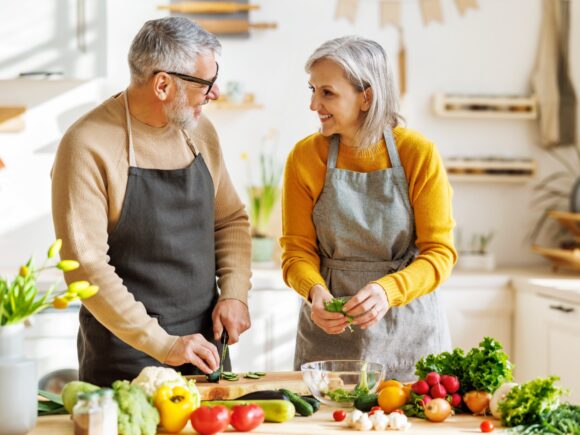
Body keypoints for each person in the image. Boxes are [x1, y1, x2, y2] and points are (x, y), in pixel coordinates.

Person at [52, 17, 252, 386]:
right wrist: (163, 344)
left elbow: (230, 220)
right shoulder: (87, 144)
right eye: (205, 83)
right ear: (163, 85)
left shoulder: (199, 131)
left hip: (204, 351)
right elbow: (86, 267)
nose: (216, 92)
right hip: (124, 362)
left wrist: (235, 294)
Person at [280, 36, 457, 381]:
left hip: (410, 333)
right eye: (312, 90)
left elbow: (440, 253)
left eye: (327, 92)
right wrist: (314, 292)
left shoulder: (417, 154)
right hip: (328, 336)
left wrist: (386, 291)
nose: (314, 104)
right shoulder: (305, 157)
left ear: (367, 96)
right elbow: (296, 251)